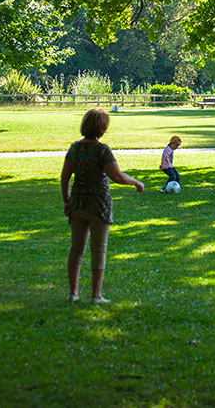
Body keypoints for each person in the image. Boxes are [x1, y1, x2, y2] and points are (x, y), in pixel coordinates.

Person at [61, 108, 144, 303]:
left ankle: (73, 293)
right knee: (98, 249)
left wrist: (67, 200)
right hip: (99, 205)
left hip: (78, 203)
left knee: (76, 249)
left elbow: (64, 178)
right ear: (101, 128)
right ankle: (96, 295)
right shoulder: (102, 150)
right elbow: (117, 176)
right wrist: (136, 182)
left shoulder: (74, 149)